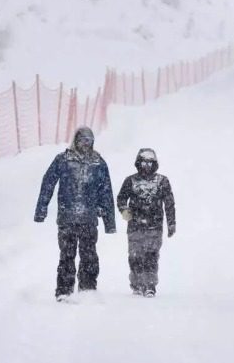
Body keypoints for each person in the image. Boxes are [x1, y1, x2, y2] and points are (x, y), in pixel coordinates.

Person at [34, 126, 116, 301]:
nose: (86, 144)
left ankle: (87, 291)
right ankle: (64, 291)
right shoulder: (63, 160)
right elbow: (48, 183)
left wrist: (109, 222)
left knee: (89, 256)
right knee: (67, 256)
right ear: (75, 141)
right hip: (67, 218)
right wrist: (41, 210)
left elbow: (106, 191)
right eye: (82, 140)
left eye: (89, 141)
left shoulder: (98, 163)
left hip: (89, 219)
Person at [116, 148, 176, 297]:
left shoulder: (162, 181)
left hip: (154, 226)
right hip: (135, 225)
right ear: (138, 163)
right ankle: (136, 284)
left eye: (150, 162)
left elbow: (169, 203)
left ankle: (150, 285)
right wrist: (124, 210)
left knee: (151, 256)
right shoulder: (130, 181)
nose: (147, 165)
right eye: (144, 162)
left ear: (154, 164)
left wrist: (171, 223)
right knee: (135, 256)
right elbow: (121, 198)